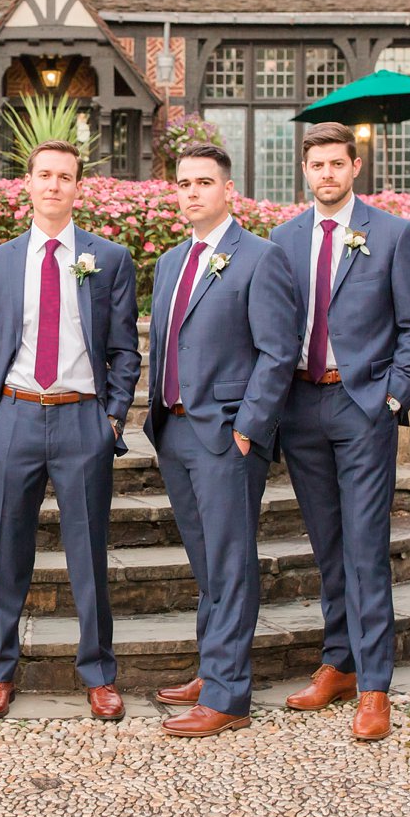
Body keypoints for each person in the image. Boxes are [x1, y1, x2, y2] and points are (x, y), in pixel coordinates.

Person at [269, 122, 410, 742]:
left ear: (354, 167)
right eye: (317, 166)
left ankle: (374, 686)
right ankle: (338, 662)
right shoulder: (281, 240)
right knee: (327, 543)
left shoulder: (393, 234)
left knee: (365, 546)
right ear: (305, 170)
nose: (327, 175)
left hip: (362, 404)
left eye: (337, 164)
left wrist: (392, 397)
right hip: (302, 407)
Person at [0, 139, 141, 721]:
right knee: (5, 551)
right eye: (44, 175)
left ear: (77, 187)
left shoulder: (109, 258)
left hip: (81, 417)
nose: (53, 186)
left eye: (65, 177)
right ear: (29, 183)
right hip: (14, 415)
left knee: (89, 553)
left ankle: (98, 673)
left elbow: (124, 349)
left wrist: (111, 417)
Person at [143, 143, 298, 737]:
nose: (191, 192)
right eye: (183, 183)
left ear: (226, 190)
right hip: (175, 429)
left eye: (203, 182)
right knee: (207, 563)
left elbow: (277, 351)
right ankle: (213, 668)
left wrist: (247, 429)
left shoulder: (260, 258)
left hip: (226, 434)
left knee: (231, 563)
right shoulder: (170, 262)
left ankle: (229, 695)